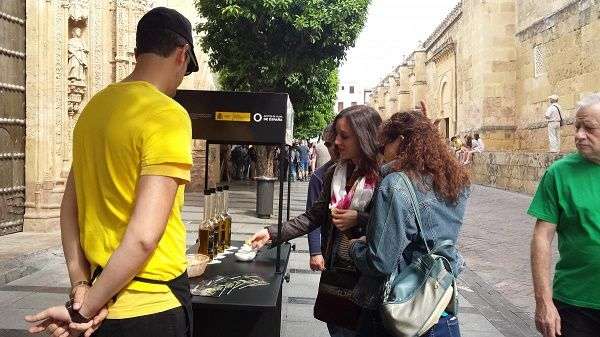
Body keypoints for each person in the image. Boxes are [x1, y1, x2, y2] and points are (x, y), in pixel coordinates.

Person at [24, 7, 199, 337]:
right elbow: (145, 236)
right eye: (186, 70)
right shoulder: (168, 115)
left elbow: (68, 212)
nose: (180, 80)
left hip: (98, 301)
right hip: (153, 306)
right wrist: (85, 310)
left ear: (137, 53)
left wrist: (81, 288)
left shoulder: (93, 110)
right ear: (182, 54)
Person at [251, 105, 382, 336]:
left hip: (368, 279)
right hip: (337, 275)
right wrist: (272, 233)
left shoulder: (385, 177)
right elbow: (314, 215)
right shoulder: (334, 173)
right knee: (339, 330)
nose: (336, 142)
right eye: (336, 135)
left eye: (344, 136)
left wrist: (359, 219)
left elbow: (393, 227)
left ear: (365, 137)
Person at [349, 110, 470, 337]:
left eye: (384, 145)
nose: (381, 153)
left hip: (402, 310)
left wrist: (357, 247)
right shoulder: (456, 181)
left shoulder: (395, 184)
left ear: (402, 141)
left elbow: (381, 262)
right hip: (439, 307)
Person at [528, 93, 600, 337]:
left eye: (589, 128)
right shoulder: (559, 173)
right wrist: (544, 302)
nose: (579, 135)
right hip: (575, 306)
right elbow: (541, 237)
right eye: (577, 127)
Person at [307, 125, 338, 272]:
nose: (334, 147)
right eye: (329, 144)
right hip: (331, 251)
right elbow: (312, 216)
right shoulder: (320, 176)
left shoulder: (371, 172)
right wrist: (315, 251)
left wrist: (359, 218)